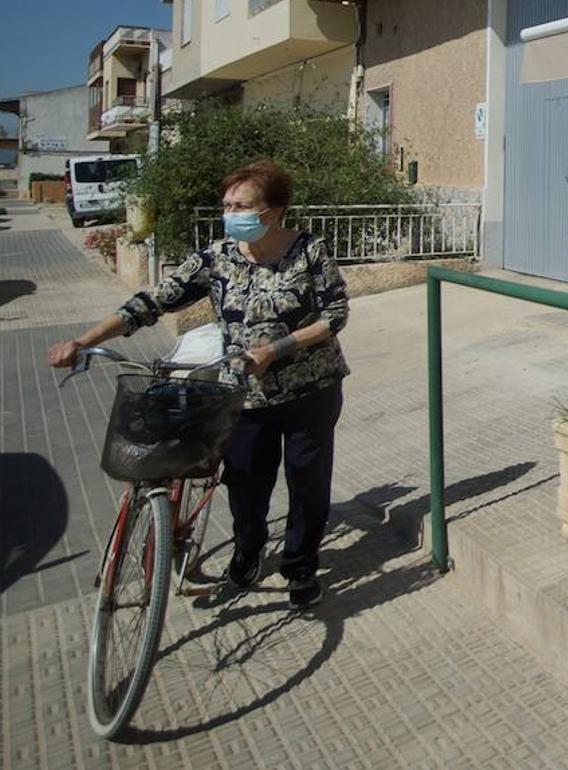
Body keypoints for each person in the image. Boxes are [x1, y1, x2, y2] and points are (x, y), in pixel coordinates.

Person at [47, 161, 350, 610]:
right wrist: (84, 340)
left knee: (307, 484)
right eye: (227, 205)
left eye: (242, 205)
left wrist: (277, 348)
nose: (231, 213)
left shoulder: (309, 251)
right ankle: (248, 551)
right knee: (245, 486)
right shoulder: (217, 257)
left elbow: (335, 314)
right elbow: (150, 303)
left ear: (273, 211)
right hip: (244, 396)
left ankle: (300, 567)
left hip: (311, 390)